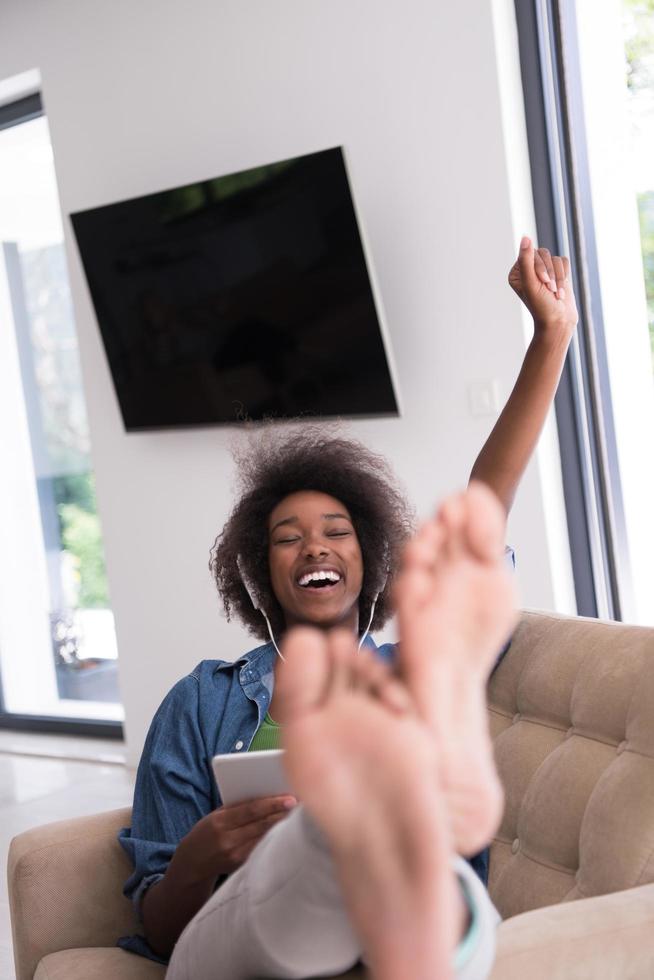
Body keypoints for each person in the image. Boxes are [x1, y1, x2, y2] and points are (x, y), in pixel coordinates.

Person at [117, 238, 578, 976]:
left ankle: (403, 875)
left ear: (370, 559)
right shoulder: (199, 705)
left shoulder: (410, 671)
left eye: (336, 533)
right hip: (239, 946)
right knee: (344, 835)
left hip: (380, 938)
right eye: (288, 540)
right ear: (261, 575)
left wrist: (550, 338)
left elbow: (483, 509)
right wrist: (197, 858)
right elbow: (167, 933)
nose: (314, 549)